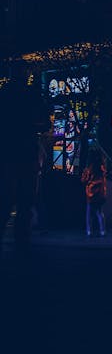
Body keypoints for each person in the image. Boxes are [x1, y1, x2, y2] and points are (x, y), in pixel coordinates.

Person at [0, 61, 49, 253]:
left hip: (7, 152)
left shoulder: (4, 94)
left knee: (7, 197)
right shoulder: (31, 96)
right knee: (25, 199)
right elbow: (44, 123)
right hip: (25, 152)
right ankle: (22, 239)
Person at [81, 147, 107, 237]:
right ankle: (102, 230)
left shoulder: (89, 168)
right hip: (100, 193)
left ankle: (89, 231)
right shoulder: (102, 167)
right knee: (100, 213)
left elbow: (84, 180)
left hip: (91, 193)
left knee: (89, 214)